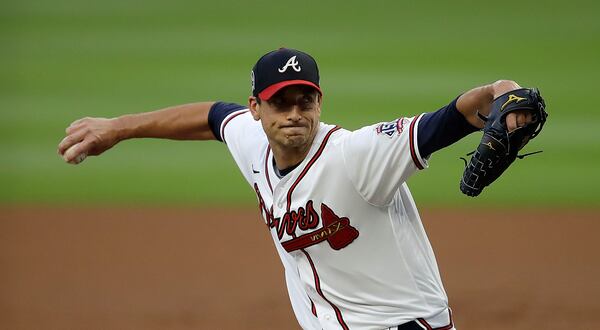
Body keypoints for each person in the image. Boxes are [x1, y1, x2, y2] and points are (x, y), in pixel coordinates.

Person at [58, 48, 534, 330]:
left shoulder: (358, 154)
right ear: (257, 109)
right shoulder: (252, 142)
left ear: (319, 102)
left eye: (304, 100)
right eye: (279, 103)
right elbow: (212, 117)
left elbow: (456, 114)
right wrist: (118, 128)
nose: (293, 113)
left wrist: (503, 93)